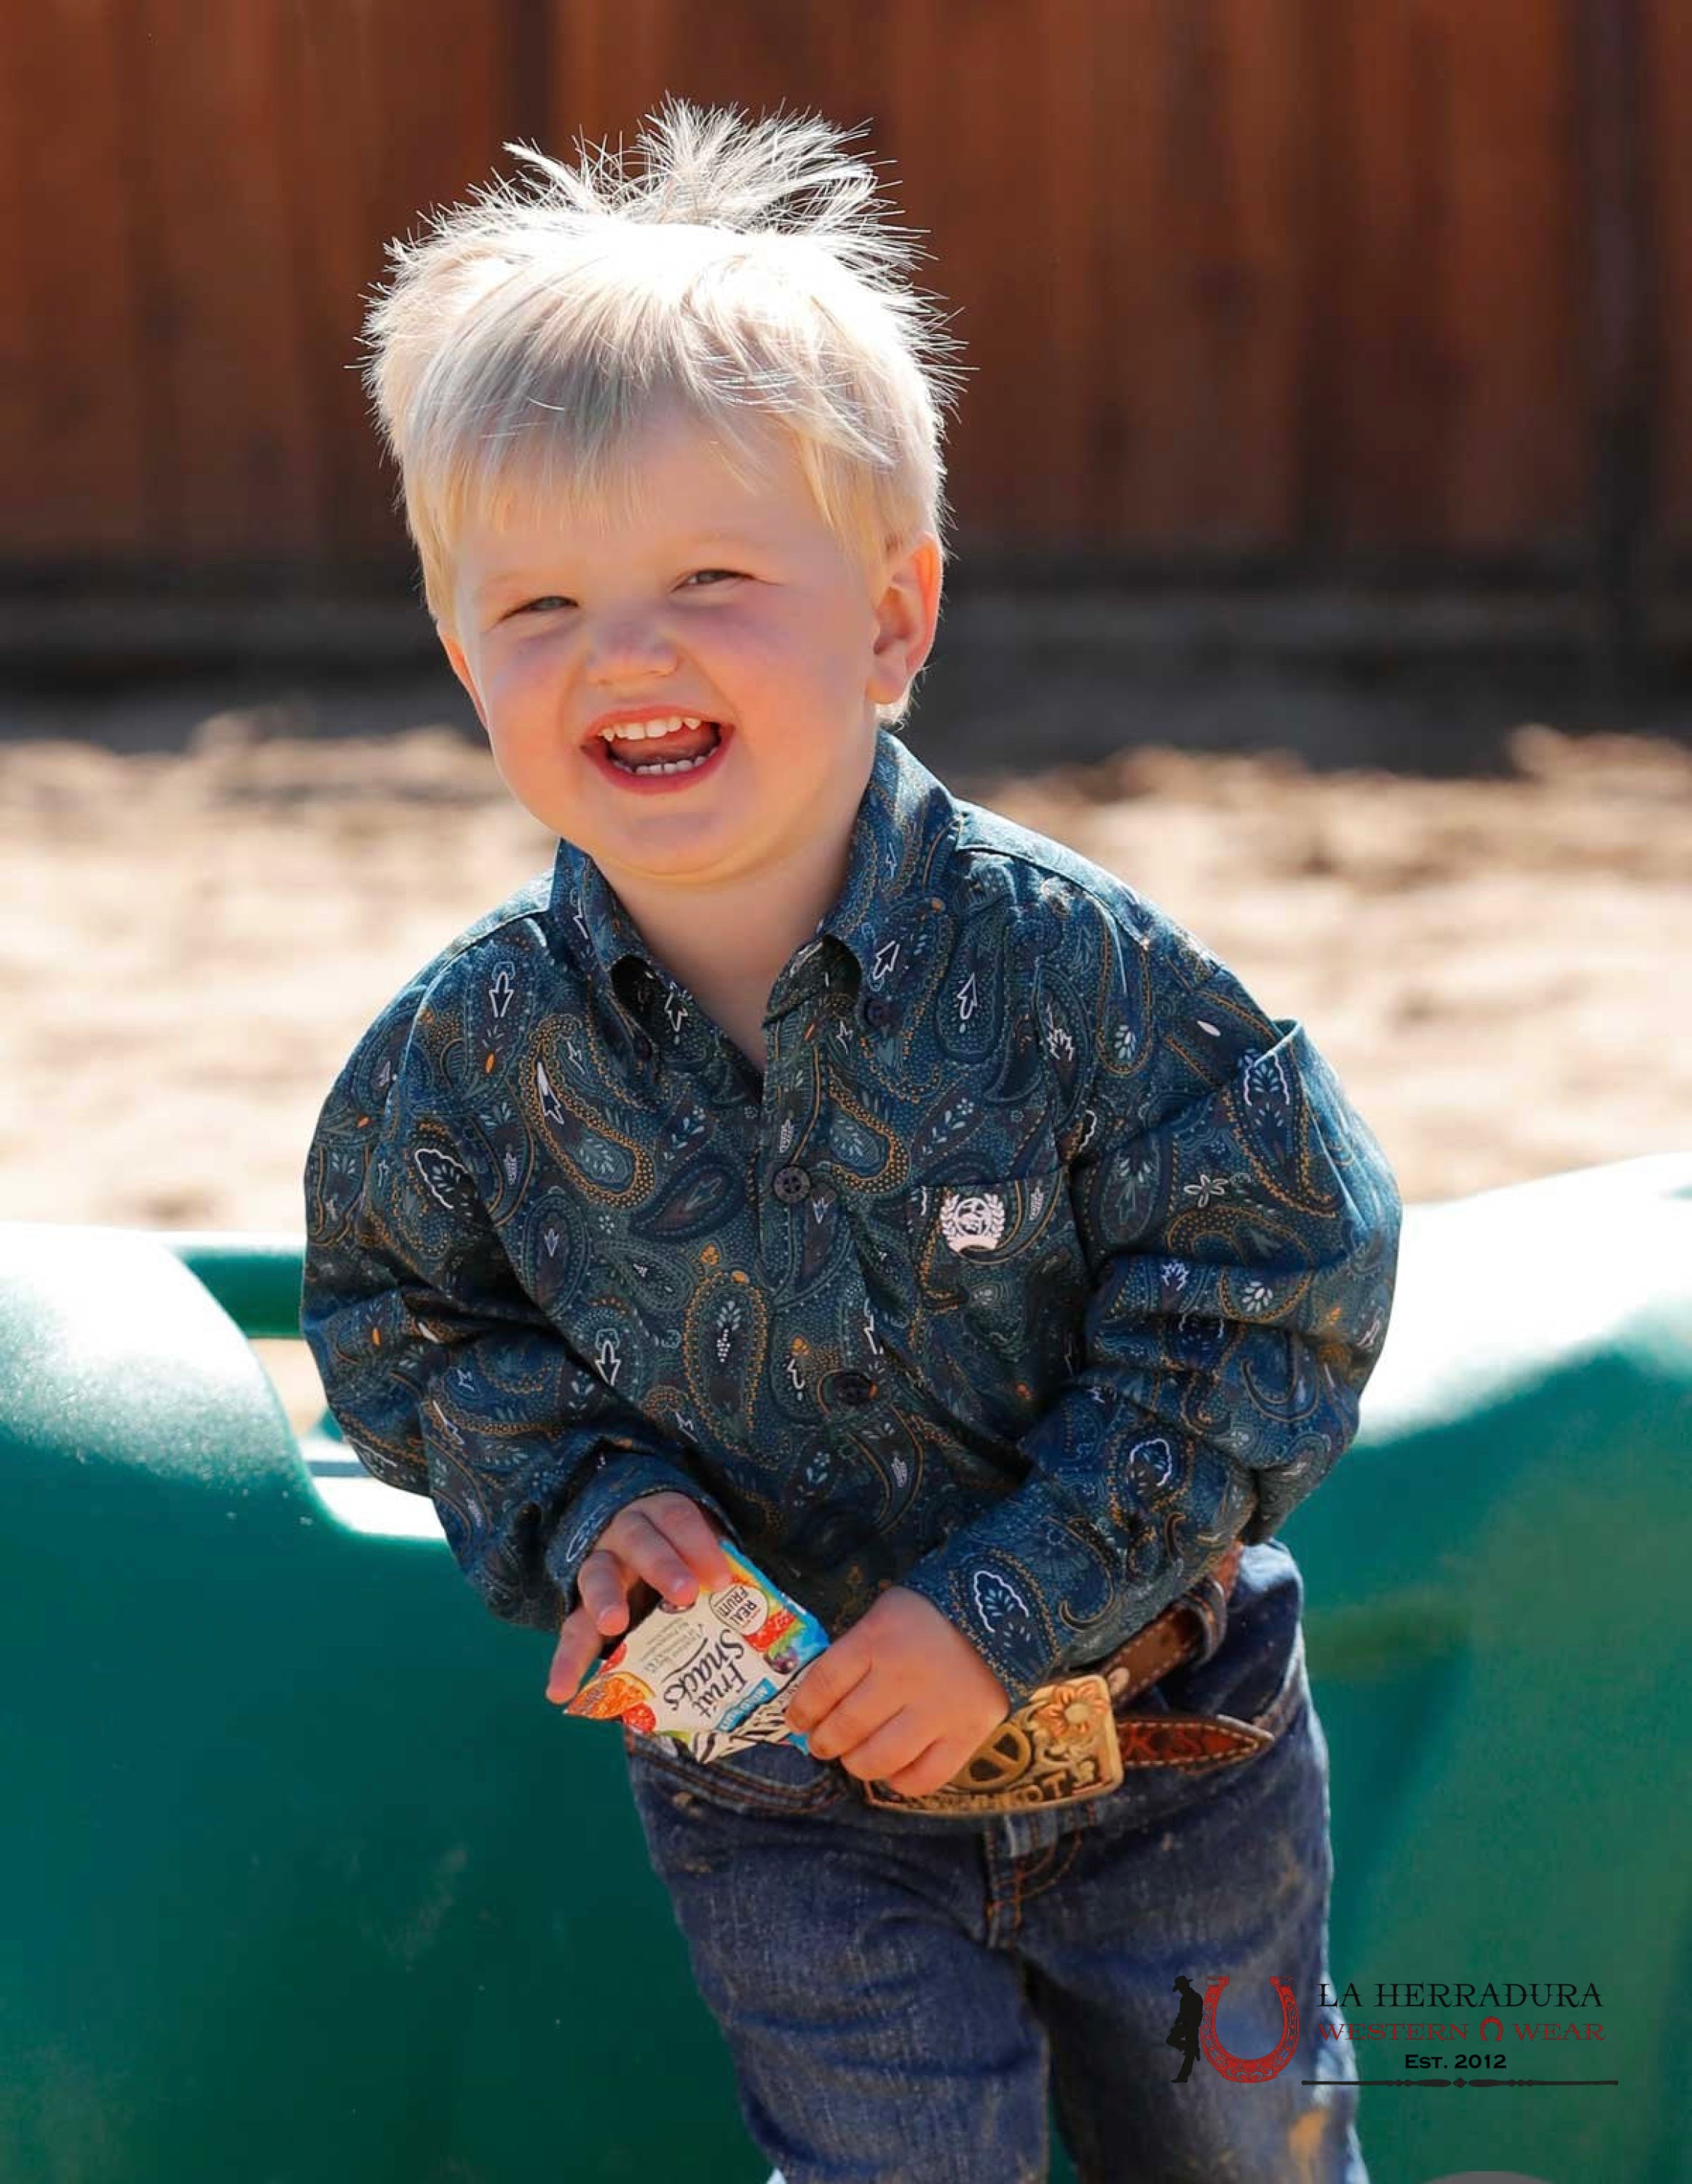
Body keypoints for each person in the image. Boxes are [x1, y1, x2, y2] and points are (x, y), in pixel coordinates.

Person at [300, 97, 1399, 2184]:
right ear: (459, 654)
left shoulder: (1082, 979)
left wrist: (1001, 1601)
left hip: (1163, 1744)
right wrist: (585, 1505)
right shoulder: (462, 1063)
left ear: (892, 619)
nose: (622, 649)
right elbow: (407, 1327)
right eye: (534, 607)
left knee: (1246, 2158)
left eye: (711, 577)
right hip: (775, 1777)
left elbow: (1280, 1281)